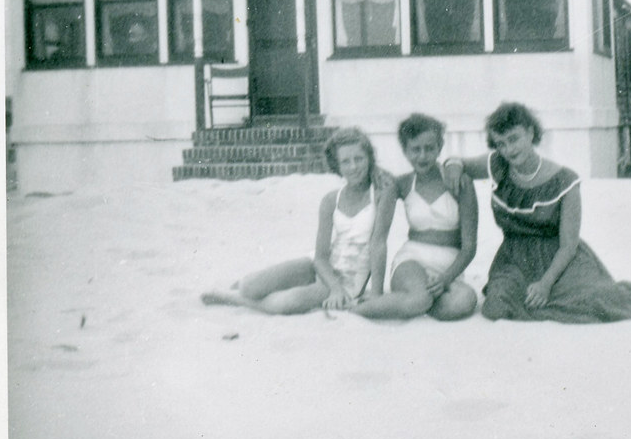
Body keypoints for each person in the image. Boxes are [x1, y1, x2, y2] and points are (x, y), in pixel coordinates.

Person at [443, 102, 631, 324]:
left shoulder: (565, 180)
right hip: (513, 258)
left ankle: (614, 289)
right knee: (496, 307)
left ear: (531, 132)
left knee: (593, 299)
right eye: (500, 144)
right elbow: (458, 163)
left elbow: (568, 245)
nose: (509, 150)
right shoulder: (499, 165)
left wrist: (545, 284)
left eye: (514, 139)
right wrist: (453, 166)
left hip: (558, 257)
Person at [200, 127, 393, 314]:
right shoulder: (330, 200)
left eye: (359, 159)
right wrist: (332, 286)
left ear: (369, 158)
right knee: (250, 287)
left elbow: (379, 244)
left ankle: (231, 298)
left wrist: (375, 294)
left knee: (285, 303)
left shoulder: (381, 194)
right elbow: (320, 257)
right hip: (321, 268)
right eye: (345, 161)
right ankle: (245, 288)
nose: (353, 167)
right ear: (337, 165)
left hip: (348, 281)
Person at [349, 113, 478, 321]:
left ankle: (403, 304)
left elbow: (470, 247)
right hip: (412, 261)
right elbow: (379, 239)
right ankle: (356, 312)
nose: (423, 156)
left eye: (429, 148)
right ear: (405, 151)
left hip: (449, 269)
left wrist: (445, 279)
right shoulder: (401, 184)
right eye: (415, 149)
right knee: (420, 298)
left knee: (464, 301)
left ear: (440, 146)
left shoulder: (460, 183)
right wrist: (376, 292)